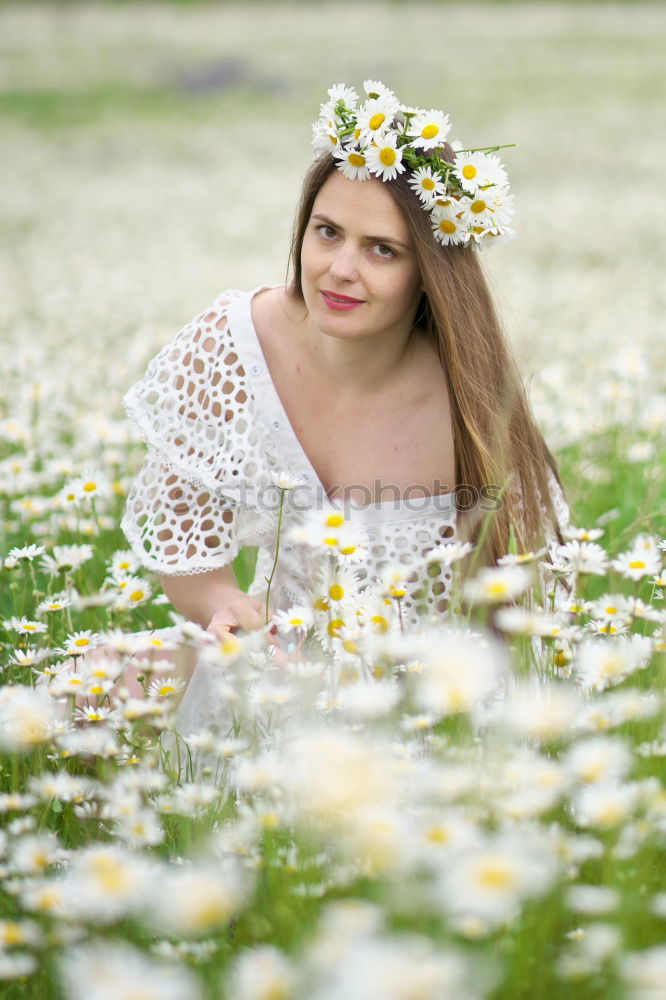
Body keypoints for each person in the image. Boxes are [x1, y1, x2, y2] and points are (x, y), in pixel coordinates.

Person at [119, 81, 570, 721]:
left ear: (431, 274)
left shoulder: (468, 398)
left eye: (382, 249)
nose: (339, 269)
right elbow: (190, 555)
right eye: (327, 232)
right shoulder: (230, 347)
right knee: (80, 686)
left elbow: (526, 594)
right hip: (269, 682)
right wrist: (226, 605)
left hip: (417, 708)